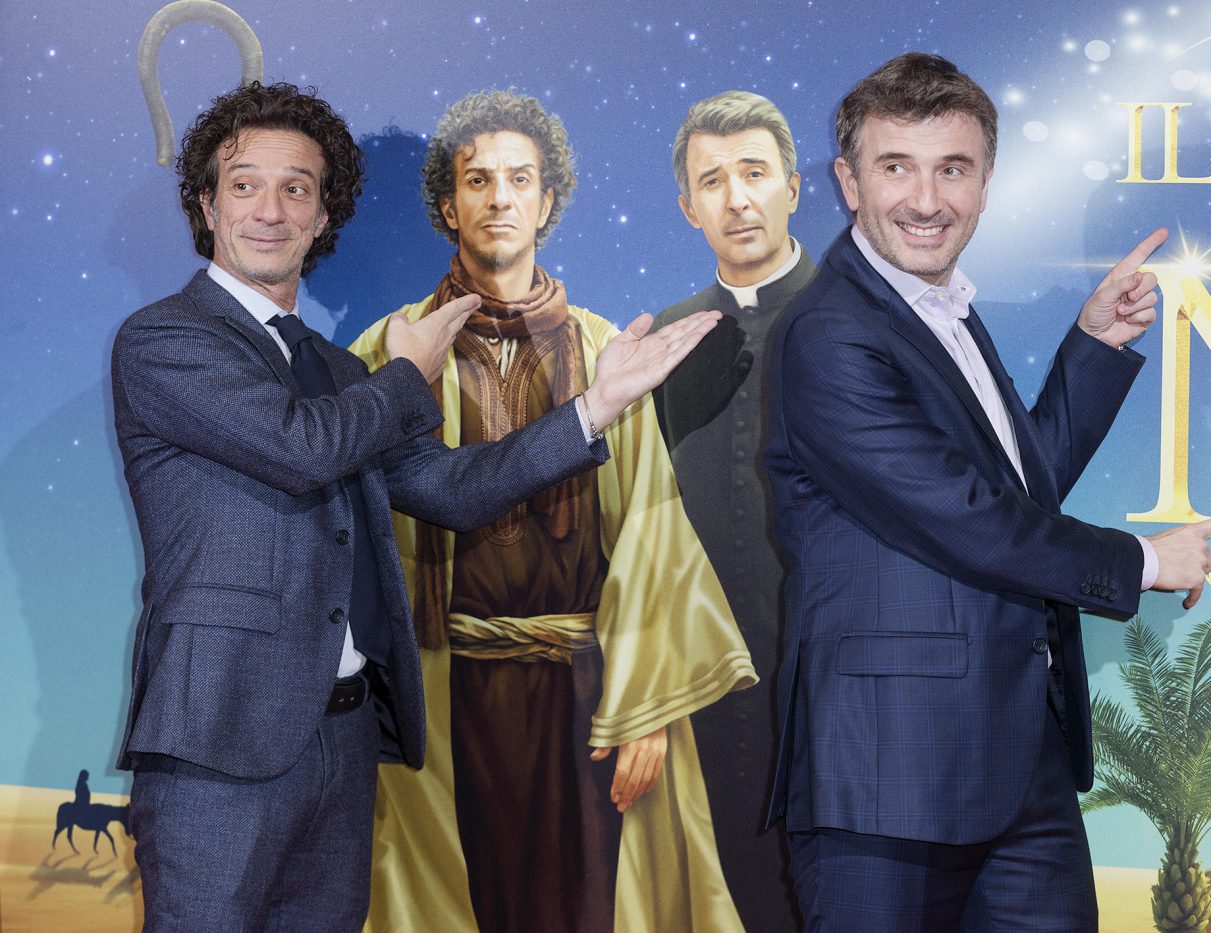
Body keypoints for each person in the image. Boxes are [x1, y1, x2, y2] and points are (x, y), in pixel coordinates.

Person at [111, 81, 719, 933]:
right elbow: (299, 447)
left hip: (345, 742)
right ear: (208, 205)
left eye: (297, 189)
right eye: (245, 185)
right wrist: (406, 375)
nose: (271, 210)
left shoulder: (341, 371)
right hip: (219, 741)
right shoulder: (166, 339)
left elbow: (453, 488)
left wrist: (595, 406)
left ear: (324, 216)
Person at [763, 53, 1211, 930]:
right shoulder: (829, 332)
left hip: (1020, 767)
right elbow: (967, 520)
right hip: (888, 780)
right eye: (896, 167)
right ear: (848, 181)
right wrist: (1143, 561)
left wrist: (1093, 347)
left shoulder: (940, 308)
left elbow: (1016, 490)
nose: (926, 200)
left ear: (986, 183)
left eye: (953, 169)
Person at [348, 89, 754, 933]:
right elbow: (354, 542)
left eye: (520, 179)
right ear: (447, 205)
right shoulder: (390, 351)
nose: (500, 198)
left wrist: (649, 707)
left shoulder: (608, 351)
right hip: (439, 693)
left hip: (585, 698)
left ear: (548, 200)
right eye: (478, 180)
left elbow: (650, 528)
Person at [649, 90, 812, 931]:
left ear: (795, 187)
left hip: (834, 685)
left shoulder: (866, 320)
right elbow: (640, 528)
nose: (737, 199)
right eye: (712, 181)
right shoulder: (662, 341)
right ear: (688, 208)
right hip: (706, 691)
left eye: (755, 173)